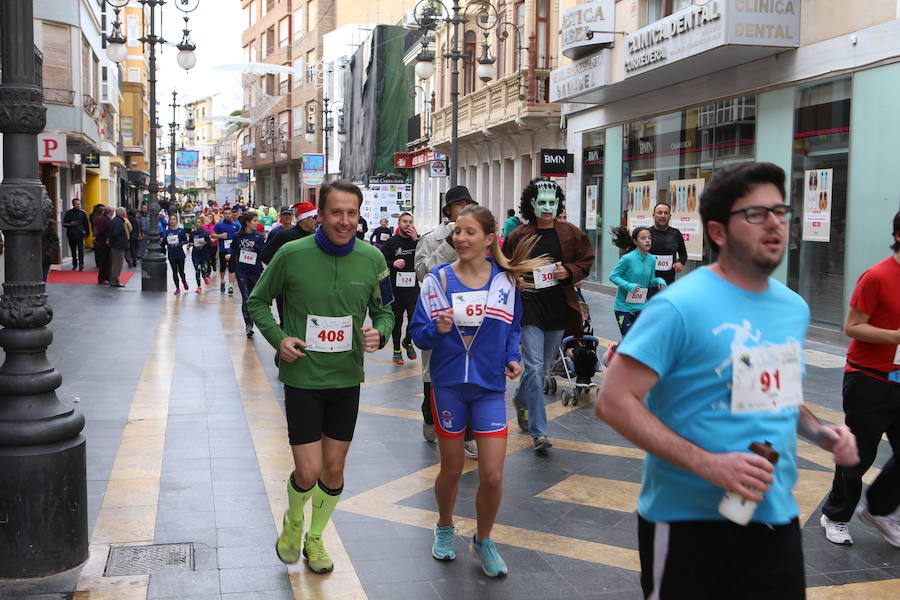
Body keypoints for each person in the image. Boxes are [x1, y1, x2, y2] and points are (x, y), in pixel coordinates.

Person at [594, 162, 859, 599]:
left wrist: (821, 433)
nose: (774, 223)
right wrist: (709, 464)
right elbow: (613, 401)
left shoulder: (792, 308)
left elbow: (777, 393)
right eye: (756, 214)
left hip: (774, 516)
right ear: (718, 232)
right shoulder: (679, 306)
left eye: (779, 211)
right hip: (686, 523)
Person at [247, 179, 394, 575]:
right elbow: (257, 301)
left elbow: (385, 311)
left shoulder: (372, 258)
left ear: (359, 215)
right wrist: (279, 339)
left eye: (352, 213)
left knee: (334, 469)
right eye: (336, 212)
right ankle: (294, 521)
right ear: (320, 214)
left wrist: (379, 331)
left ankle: (315, 536)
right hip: (303, 379)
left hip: (347, 378)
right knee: (308, 471)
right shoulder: (291, 254)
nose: (344, 221)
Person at [410, 205, 540, 577]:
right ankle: (445, 526)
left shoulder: (505, 282)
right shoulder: (438, 280)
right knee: (451, 468)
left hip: (487, 388)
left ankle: (483, 540)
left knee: (493, 475)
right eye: (457, 232)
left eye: (469, 232)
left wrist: (513, 357)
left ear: (488, 239)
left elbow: (512, 328)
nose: (460, 239)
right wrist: (438, 327)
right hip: (448, 386)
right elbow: (418, 334)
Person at [820, 210, 900, 548]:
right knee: (859, 454)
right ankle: (836, 516)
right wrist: (895, 336)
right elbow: (852, 327)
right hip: (868, 378)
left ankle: (878, 510)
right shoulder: (877, 276)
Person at [503, 179, 594, 452]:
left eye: (552, 202)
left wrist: (569, 270)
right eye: (541, 202)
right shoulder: (519, 235)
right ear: (531, 204)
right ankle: (539, 432)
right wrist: (514, 277)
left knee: (540, 371)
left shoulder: (570, 233)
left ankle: (521, 399)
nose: (547, 207)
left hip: (558, 308)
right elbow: (504, 265)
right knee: (533, 367)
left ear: (558, 205)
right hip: (529, 308)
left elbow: (586, 260)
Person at [414, 185, 479, 457]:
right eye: (458, 204)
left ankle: (468, 434)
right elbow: (422, 272)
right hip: (438, 314)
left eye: (468, 203)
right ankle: (430, 417)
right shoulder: (432, 239)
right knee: (432, 372)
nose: (463, 208)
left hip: (471, 314)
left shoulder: (478, 236)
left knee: (470, 371)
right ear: (447, 210)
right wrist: (450, 244)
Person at [261, 202, 318, 329]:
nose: (316, 221)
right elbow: (265, 255)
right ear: (304, 219)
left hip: (309, 289)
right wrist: (284, 270)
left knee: (307, 324)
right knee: (286, 324)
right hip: (286, 289)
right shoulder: (284, 235)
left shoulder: (315, 236)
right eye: (314, 218)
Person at [608, 226, 667, 337]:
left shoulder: (652, 259)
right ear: (635, 241)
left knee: (641, 340)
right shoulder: (627, 259)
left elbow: (650, 281)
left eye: (649, 238)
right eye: (643, 238)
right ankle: (614, 350)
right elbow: (613, 276)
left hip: (642, 307)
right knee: (629, 340)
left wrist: (659, 280)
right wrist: (629, 285)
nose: (648, 240)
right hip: (623, 308)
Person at [381, 212, 419, 365]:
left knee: (414, 318)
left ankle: (408, 341)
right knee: (397, 321)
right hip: (396, 288)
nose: (408, 224)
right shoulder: (392, 242)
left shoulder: (418, 240)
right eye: (404, 221)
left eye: (410, 222)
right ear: (399, 223)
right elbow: (382, 260)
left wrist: (416, 240)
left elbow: (424, 256)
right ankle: (397, 349)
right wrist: (393, 264)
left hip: (413, 288)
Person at [230, 210, 266, 337]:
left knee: (254, 299)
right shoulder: (237, 236)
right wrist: (229, 255)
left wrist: (255, 246)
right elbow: (233, 248)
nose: (257, 223)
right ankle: (248, 325)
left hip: (255, 272)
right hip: (242, 272)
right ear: (247, 222)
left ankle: (254, 320)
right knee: (246, 298)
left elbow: (263, 253)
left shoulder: (259, 236)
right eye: (255, 221)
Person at [648, 202, 688, 299]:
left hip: (668, 281)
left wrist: (680, 263)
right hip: (649, 282)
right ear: (653, 215)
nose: (663, 216)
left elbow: (683, 253)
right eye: (660, 212)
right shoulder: (647, 233)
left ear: (670, 216)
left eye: (666, 213)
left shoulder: (675, 233)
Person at [212, 206, 240, 294]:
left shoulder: (236, 225)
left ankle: (231, 285)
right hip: (222, 249)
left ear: (232, 214)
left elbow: (240, 235)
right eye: (225, 214)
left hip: (232, 250)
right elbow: (212, 234)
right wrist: (220, 236)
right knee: (223, 268)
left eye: (229, 213)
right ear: (223, 215)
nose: (227, 215)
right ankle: (223, 281)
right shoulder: (219, 225)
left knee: (232, 268)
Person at [163, 214, 190, 295]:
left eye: (173, 219)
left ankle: (184, 281)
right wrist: (163, 239)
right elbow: (164, 242)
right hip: (171, 254)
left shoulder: (181, 231)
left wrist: (180, 243)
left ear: (176, 221)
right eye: (170, 219)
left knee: (181, 271)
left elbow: (185, 241)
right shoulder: (167, 232)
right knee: (174, 271)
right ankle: (177, 288)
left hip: (180, 254)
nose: (172, 221)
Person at [63, 198, 89, 271]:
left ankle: (81, 264)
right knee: (73, 250)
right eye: (76, 204)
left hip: (80, 234)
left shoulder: (83, 213)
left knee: (81, 250)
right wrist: (70, 224)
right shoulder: (68, 213)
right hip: (71, 234)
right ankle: (74, 264)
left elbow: (86, 224)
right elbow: (64, 223)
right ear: (73, 204)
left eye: (79, 204)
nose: (78, 205)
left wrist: (87, 234)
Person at [189, 215, 212, 293]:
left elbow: (209, 243)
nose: (198, 223)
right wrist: (191, 244)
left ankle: (204, 276)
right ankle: (199, 286)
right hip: (195, 255)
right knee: (197, 271)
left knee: (203, 270)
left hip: (204, 255)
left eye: (199, 222)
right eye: (197, 222)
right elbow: (190, 243)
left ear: (202, 224)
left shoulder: (205, 233)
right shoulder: (192, 233)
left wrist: (205, 242)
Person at [107, 207, 130, 288]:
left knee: (116, 264)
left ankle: (113, 280)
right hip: (118, 246)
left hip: (117, 245)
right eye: (125, 212)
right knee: (117, 264)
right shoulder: (118, 222)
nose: (126, 213)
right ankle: (115, 280)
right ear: (122, 213)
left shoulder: (116, 220)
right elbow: (115, 234)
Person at [92, 204, 111, 284]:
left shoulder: (98, 218)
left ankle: (104, 278)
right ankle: (103, 278)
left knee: (104, 261)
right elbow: (101, 231)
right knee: (104, 261)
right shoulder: (103, 219)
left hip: (101, 242)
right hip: (103, 242)